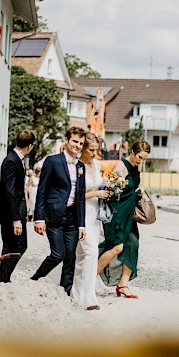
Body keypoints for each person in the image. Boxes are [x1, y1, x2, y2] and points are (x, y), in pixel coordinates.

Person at [31, 126, 87, 295]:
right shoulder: (53, 161)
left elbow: (81, 196)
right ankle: (34, 280)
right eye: (75, 141)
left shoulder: (81, 166)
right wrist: (39, 218)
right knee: (58, 254)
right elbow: (42, 190)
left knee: (70, 258)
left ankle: (65, 293)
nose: (77, 145)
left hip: (72, 219)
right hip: (54, 216)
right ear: (66, 140)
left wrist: (82, 224)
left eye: (81, 143)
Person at [97, 139, 151, 299]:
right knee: (116, 247)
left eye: (144, 158)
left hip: (129, 214)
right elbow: (111, 191)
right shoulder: (121, 166)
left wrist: (139, 190)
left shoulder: (136, 166)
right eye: (140, 157)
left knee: (133, 244)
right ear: (133, 152)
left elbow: (133, 186)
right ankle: (88, 278)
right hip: (117, 214)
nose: (141, 161)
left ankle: (123, 285)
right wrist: (130, 191)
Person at [73, 133, 111, 310]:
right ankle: (87, 298)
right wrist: (96, 193)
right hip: (82, 213)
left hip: (95, 214)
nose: (95, 154)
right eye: (92, 150)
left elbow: (98, 184)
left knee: (82, 255)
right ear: (83, 148)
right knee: (90, 253)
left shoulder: (95, 164)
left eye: (97, 150)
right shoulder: (76, 165)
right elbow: (74, 195)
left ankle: (78, 294)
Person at [0, 130, 36, 284]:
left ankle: (3, 277)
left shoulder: (16, 159)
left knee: (16, 246)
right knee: (15, 246)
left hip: (14, 212)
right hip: (9, 214)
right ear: (30, 146)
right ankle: (1, 278)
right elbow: (10, 192)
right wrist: (16, 219)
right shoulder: (11, 160)